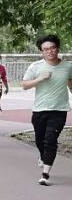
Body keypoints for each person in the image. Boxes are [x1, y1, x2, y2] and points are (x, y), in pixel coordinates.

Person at [22, 35, 72, 186]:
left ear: (58, 48)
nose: (50, 51)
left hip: (59, 110)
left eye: (52, 48)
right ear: (41, 52)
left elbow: (71, 84)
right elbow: (24, 85)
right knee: (40, 140)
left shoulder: (68, 66)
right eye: (46, 49)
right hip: (39, 110)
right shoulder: (36, 66)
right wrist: (40, 79)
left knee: (51, 140)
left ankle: (45, 174)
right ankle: (43, 156)